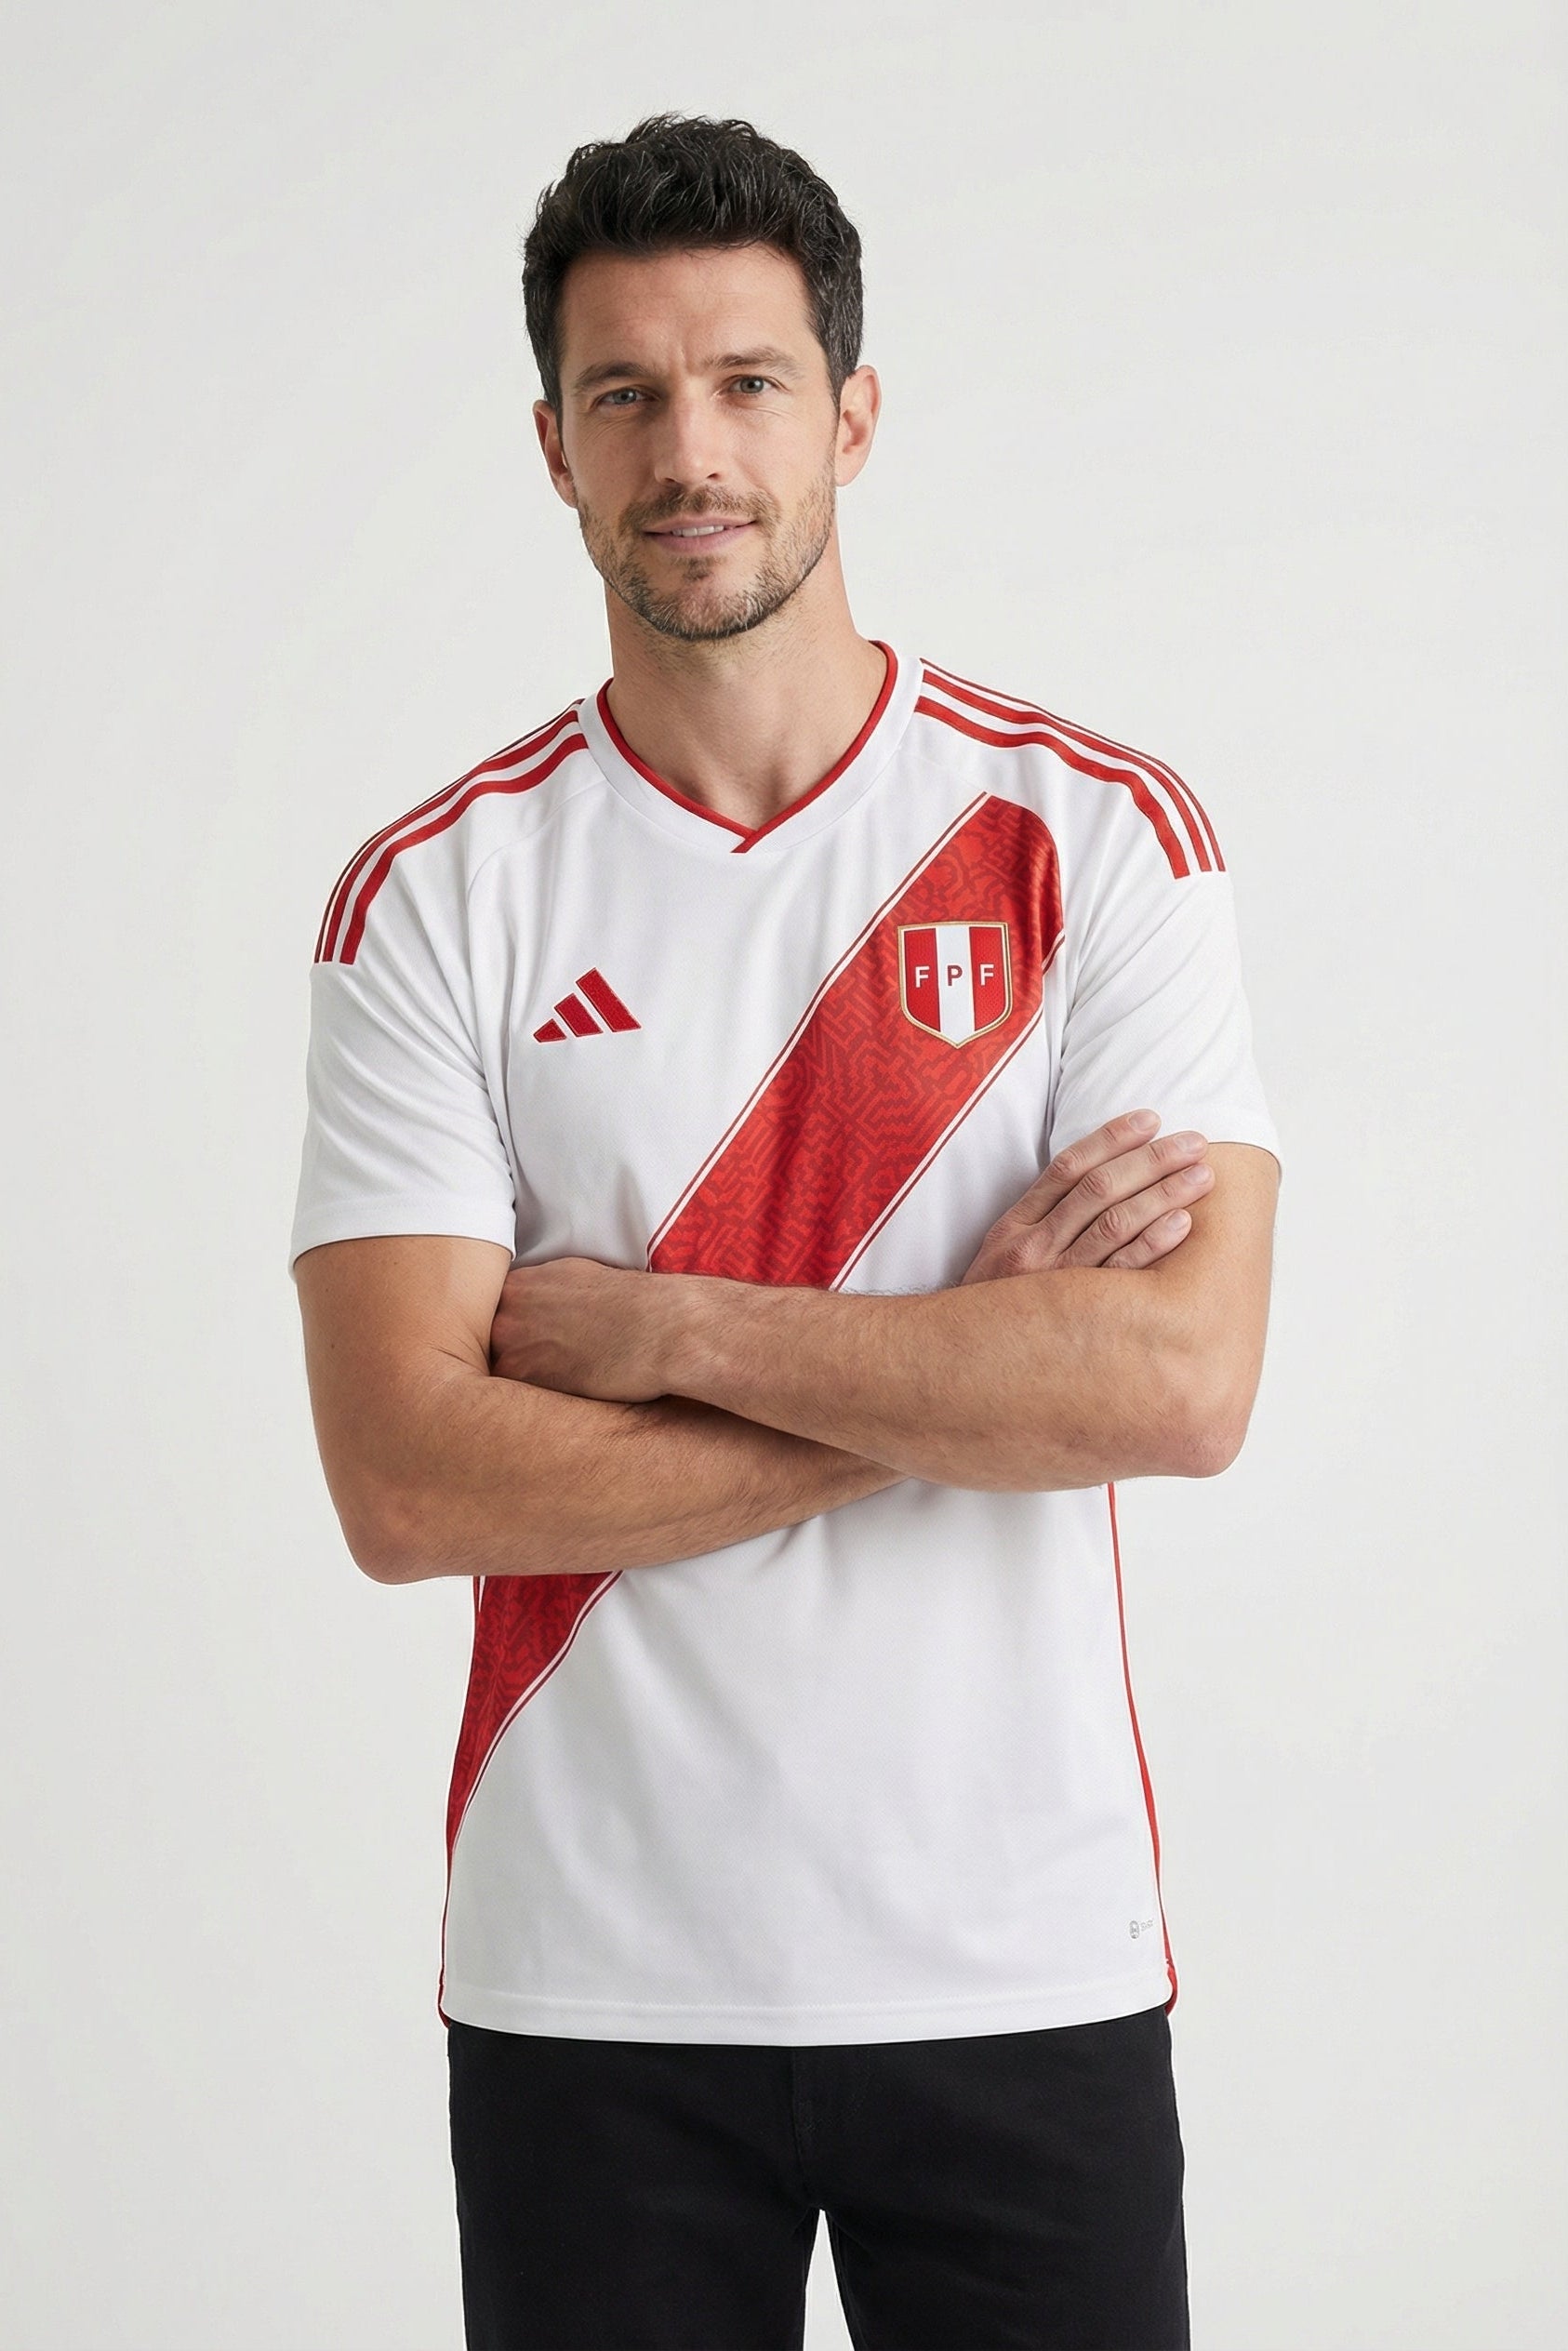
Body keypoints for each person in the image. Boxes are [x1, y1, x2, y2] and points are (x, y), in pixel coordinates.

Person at [291, 113, 1279, 2351]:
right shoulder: (437, 896)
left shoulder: (1093, 836)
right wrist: (965, 1374)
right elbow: (408, 1481)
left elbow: (1178, 1384)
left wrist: (661, 1328)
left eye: (747, 381)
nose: (691, 451)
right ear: (553, 446)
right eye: (625, 394)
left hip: (1020, 1958)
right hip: (595, 1983)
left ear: (852, 412)